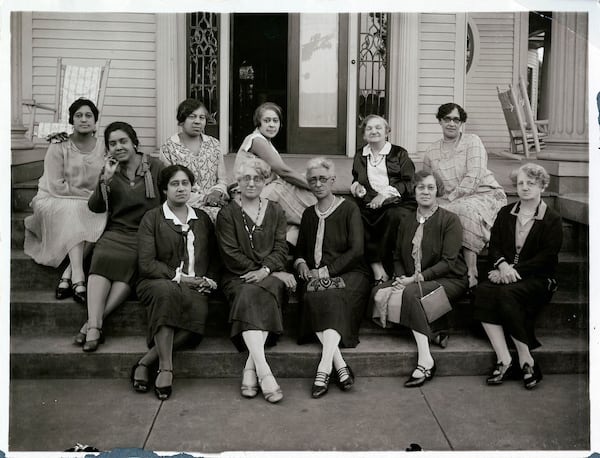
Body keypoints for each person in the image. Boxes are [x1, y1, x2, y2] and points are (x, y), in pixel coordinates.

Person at [73, 121, 164, 352]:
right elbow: (96, 207)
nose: (118, 147)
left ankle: (92, 324)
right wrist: (105, 179)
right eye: (112, 143)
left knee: (129, 269)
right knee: (102, 256)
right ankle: (95, 325)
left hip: (145, 234)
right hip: (116, 232)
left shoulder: (155, 166)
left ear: (134, 142)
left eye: (123, 141)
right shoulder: (110, 171)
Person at [373, 170, 468, 387]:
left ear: (437, 191)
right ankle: (434, 331)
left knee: (411, 293)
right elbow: (397, 255)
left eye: (430, 187)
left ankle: (426, 360)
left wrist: (415, 279)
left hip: (449, 278)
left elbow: (448, 262)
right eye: (421, 187)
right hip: (414, 279)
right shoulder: (406, 221)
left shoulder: (450, 219)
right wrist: (400, 277)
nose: (425, 192)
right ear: (414, 191)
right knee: (378, 292)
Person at [133, 165, 219, 400]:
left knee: (196, 320)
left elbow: (213, 257)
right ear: (164, 189)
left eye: (185, 183)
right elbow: (147, 264)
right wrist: (181, 278)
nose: (181, 188)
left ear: (192, 187)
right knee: (167, 293)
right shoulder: (152, 218)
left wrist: (209, 281)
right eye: (174, 184)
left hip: (194, 286)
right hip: (157, 281)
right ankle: (166, 368)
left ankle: (145, 361)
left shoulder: (201, 219)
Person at [473, 163, 562, 390]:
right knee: (483, 291)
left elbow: (547, 257)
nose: (525, 187)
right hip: (505, 273)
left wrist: (514, 272)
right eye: (521, 183)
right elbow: (494, 246)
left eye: (531, 183)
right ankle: (505, 359)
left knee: (505, 294)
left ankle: (526, 359)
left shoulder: (552, 219)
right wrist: (503, 266)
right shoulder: (505, 212)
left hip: (539, 278)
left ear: (542, 186)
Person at [216, 158, 297, 404]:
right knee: (250, 293)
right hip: (237, 276)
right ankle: (265, 371)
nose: (251, 183)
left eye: (258, 179)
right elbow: (229, 254)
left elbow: (281, 249)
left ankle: (252, 370)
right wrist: (265, 271)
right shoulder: (227, 213)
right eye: (246, 178)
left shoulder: (275, 210)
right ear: (238, 182)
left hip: (269, 276)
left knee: (266, 288)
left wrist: (266, 271)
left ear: (265, 182)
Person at [295, 158, 370, 398]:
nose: (318, 184)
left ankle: (323, 368)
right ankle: (339, 365)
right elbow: (300, 251)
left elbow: (357, 251)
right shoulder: (308, 214)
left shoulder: (349, 209)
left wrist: (325, 272)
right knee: (315, 293)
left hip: (351, 273)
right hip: (315, 277)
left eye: (323, 179)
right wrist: (302, 263)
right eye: (313, 180)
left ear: (333, 181)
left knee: (332, 295)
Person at [24, 98, 107, 304]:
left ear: (95, 120)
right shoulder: (59, 145)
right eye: (78, 115)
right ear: (72, 120)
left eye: (89, 115)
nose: (84, 119)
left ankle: (68, 274)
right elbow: (56, 185)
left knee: (98, 214)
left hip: (87, 200)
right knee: (75, 210)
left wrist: (94, 198)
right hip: (53, 197)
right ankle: (80, 276)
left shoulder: (103, 147)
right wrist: (90, 198)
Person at [423, 103, 507, 288]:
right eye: (447, 119)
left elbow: (474, 176)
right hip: (452, 199)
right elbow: (429, 181)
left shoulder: (472, 141)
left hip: (485, 193)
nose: (452, 123)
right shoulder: (431, 151)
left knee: (462, 210)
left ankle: (471, 271)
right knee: (432, 212)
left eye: (456, 120)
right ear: (440, 121)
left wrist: (449, 199)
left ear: (461, 123)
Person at [233, 102, 316, 244]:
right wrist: (313, 185)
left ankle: (292, 244)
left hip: (264, 191)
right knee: (300, 189)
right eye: (266, 121)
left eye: (275, 121)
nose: (271, 125)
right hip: (251, 193)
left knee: (296, 224)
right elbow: (283, 171)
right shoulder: (256, 140)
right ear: (258, 123)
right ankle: (322, 219)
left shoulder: (266, 142)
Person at [351, 114, 416, 283]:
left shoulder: (399, 153)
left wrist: (384, 195)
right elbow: (356, 178)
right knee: (353, 214)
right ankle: (376, 266)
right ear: (364, 134)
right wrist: (356, 187)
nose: (374, 131)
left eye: (378, 127)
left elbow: (408, 181)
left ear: (387, 132)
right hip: (369, 203)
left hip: (397, 201)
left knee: (395, 216)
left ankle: (394, 266)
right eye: (369, 128)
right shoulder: (360, 155)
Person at [159, 98, 228, 222]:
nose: (197, 121)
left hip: (215, 204)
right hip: (184, 206)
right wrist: (203, 199)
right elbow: (170, 186)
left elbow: (222, 179)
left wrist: (217, 192)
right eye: (192, 117)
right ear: (181, 121)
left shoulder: (214, 145)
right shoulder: (169, 147)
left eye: (202, 118)